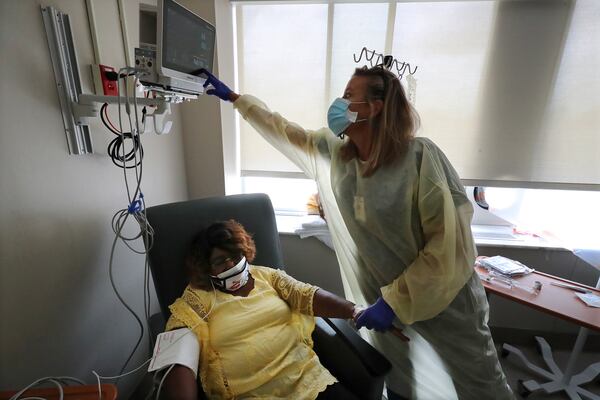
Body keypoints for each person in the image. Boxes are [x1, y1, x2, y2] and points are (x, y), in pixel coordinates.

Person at [198, 66, 515, 400]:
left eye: (349, 95)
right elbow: (283, 130)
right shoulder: (338, 156)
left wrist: (396, 301)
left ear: (374, 107)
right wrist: (236, 99)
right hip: (381, 300)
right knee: (403, 382)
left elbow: (448, 246)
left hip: (443, 303)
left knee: (479, 385)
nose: (339, 102)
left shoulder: (420, 157)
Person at [161, 219, 363, 400]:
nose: (231, 264)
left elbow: (305, 294)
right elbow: (178, 350)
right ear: (206, 269)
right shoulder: (198, 299)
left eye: (234, 255)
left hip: (307, 380)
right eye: (220, 261)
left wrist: (355, 311)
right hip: (251, 394)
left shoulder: (268, 276)